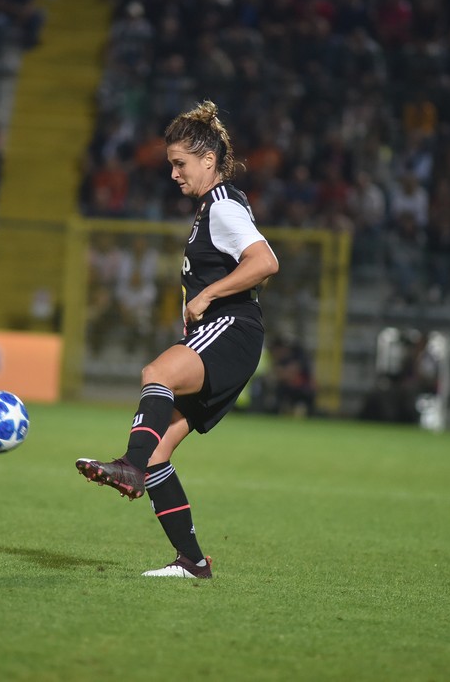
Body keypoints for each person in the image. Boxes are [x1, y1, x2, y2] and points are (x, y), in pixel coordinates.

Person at [75, 100, 279, 579]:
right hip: (225, 333)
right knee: (159, 453)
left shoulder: (222, 205)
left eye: (180, 163)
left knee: (157, 372)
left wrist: (209, 294)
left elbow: (265, 262)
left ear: (208, 160)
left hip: (231, 330)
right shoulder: (217, 205)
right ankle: (193, 562)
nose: (173, 173)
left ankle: (129, 467)